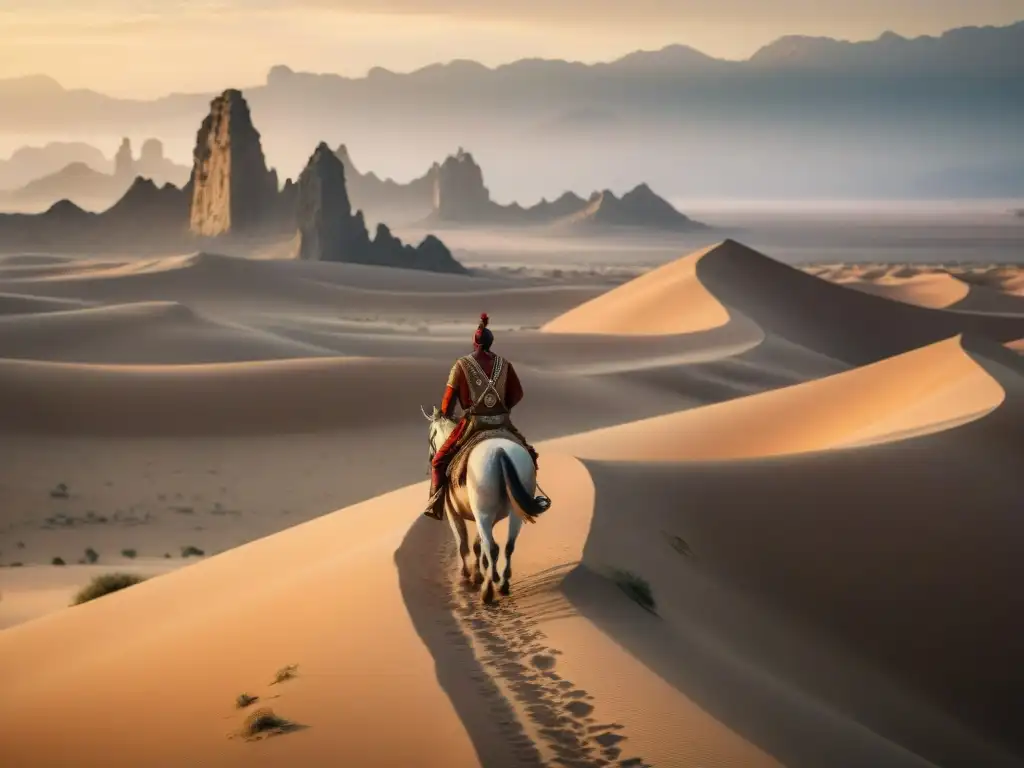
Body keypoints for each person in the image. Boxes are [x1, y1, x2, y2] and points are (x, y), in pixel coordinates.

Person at [425, 313, 539, 520]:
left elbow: (447, 400)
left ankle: (435, 502)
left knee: (438, 461)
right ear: (490, 342)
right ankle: (530, 496)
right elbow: (518, 394)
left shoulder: (461, 365)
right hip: (502, 422)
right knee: (529, 454)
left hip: (473, 424)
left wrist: (447, 414)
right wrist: (503, 407)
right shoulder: (505, 364)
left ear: (474, 342)